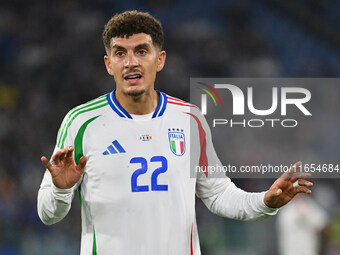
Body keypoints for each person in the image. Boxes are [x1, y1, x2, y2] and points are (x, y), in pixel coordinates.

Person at [37, 10, 313, 255]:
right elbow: (48, 215)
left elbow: (218, 195)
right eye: (120, 53)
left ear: (160, 59)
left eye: (142, 51)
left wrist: (265, 201)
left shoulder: (189, 118)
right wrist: (61, 190)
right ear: (109, 64)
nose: (131, 62)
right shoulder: (81, 122)